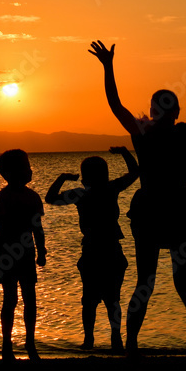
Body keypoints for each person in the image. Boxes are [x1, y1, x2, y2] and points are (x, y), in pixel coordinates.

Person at [89, 36, 186, 357]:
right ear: (170, 111)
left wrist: (108, 68)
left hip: (164, 211)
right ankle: (166, 343)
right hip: (163, 211)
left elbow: (116, 105)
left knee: (153, 282)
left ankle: (148, 345)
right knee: (170, 283)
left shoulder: (151, 136)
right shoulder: (162, 134)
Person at [45, 146, 139, 352]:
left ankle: (90, 340)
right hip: (110, 250)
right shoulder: (111, 188)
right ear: (105, 175)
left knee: (90, 299)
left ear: (85, 177)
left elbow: (50, 198)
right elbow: (135, 172)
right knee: (112, 299)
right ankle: (115, 340)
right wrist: (124, 152)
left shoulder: (81, 194)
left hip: (94, 251)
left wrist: (62, 178)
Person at [0, 149, 46, 360]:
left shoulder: (31, 197)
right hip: (9, 252)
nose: (30, 170)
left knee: (26, 297)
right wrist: (38, 249)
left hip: (21, 251)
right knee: (12, 298)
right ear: (12, 173)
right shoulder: (3, 199)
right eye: (26, 167)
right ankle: (8, 344)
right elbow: (8, 226)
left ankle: (29, 343)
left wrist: (41, 250)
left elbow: (37, 228)